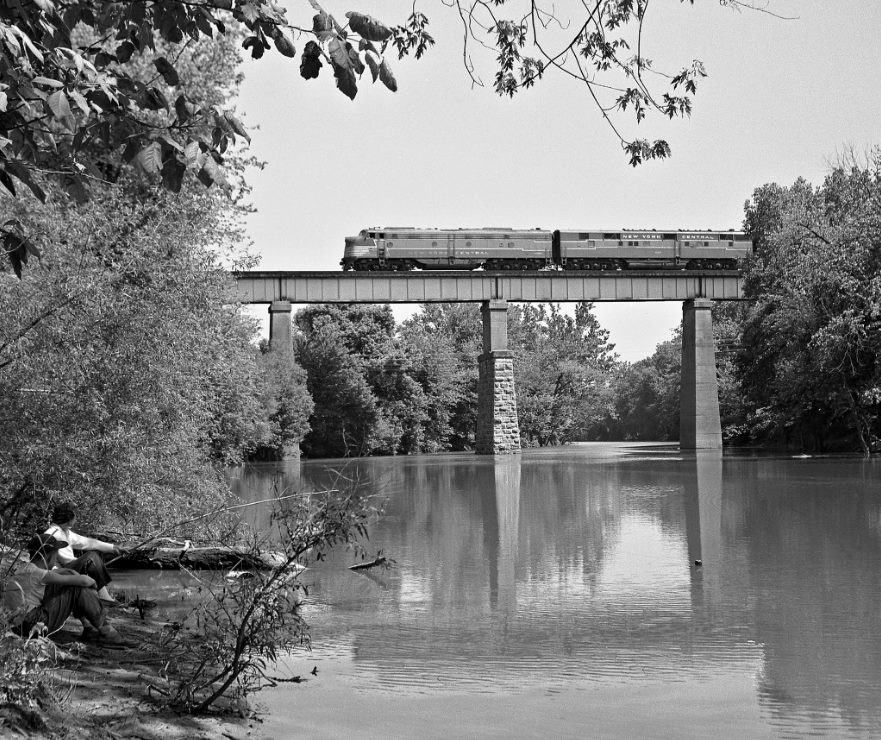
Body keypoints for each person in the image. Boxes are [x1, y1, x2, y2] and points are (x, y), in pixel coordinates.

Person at [9, 532, 122, 643]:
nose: (56, 560)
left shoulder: (23, 569)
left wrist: (69, 571)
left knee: (68, 581)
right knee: (75, 587)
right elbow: (84, 581)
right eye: (55, 556)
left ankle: (89, 628)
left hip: (15, 624)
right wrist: (94, 583)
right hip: (33, 624)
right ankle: (107, 632)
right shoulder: (41, 574)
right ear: (49, 557)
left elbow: (56, 573)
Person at [44, 501, 124, 604]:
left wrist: (113, 548)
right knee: (91, 557)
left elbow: (89, 543)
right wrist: (87, 563)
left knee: (93, 556)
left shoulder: (64, 531)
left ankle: (104, 596)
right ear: (69, 518)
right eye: (75, 516)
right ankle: (104, 597)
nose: (76, 518)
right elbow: (67, 561)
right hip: (59, 574)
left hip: (65, 570)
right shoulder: (54, 534)